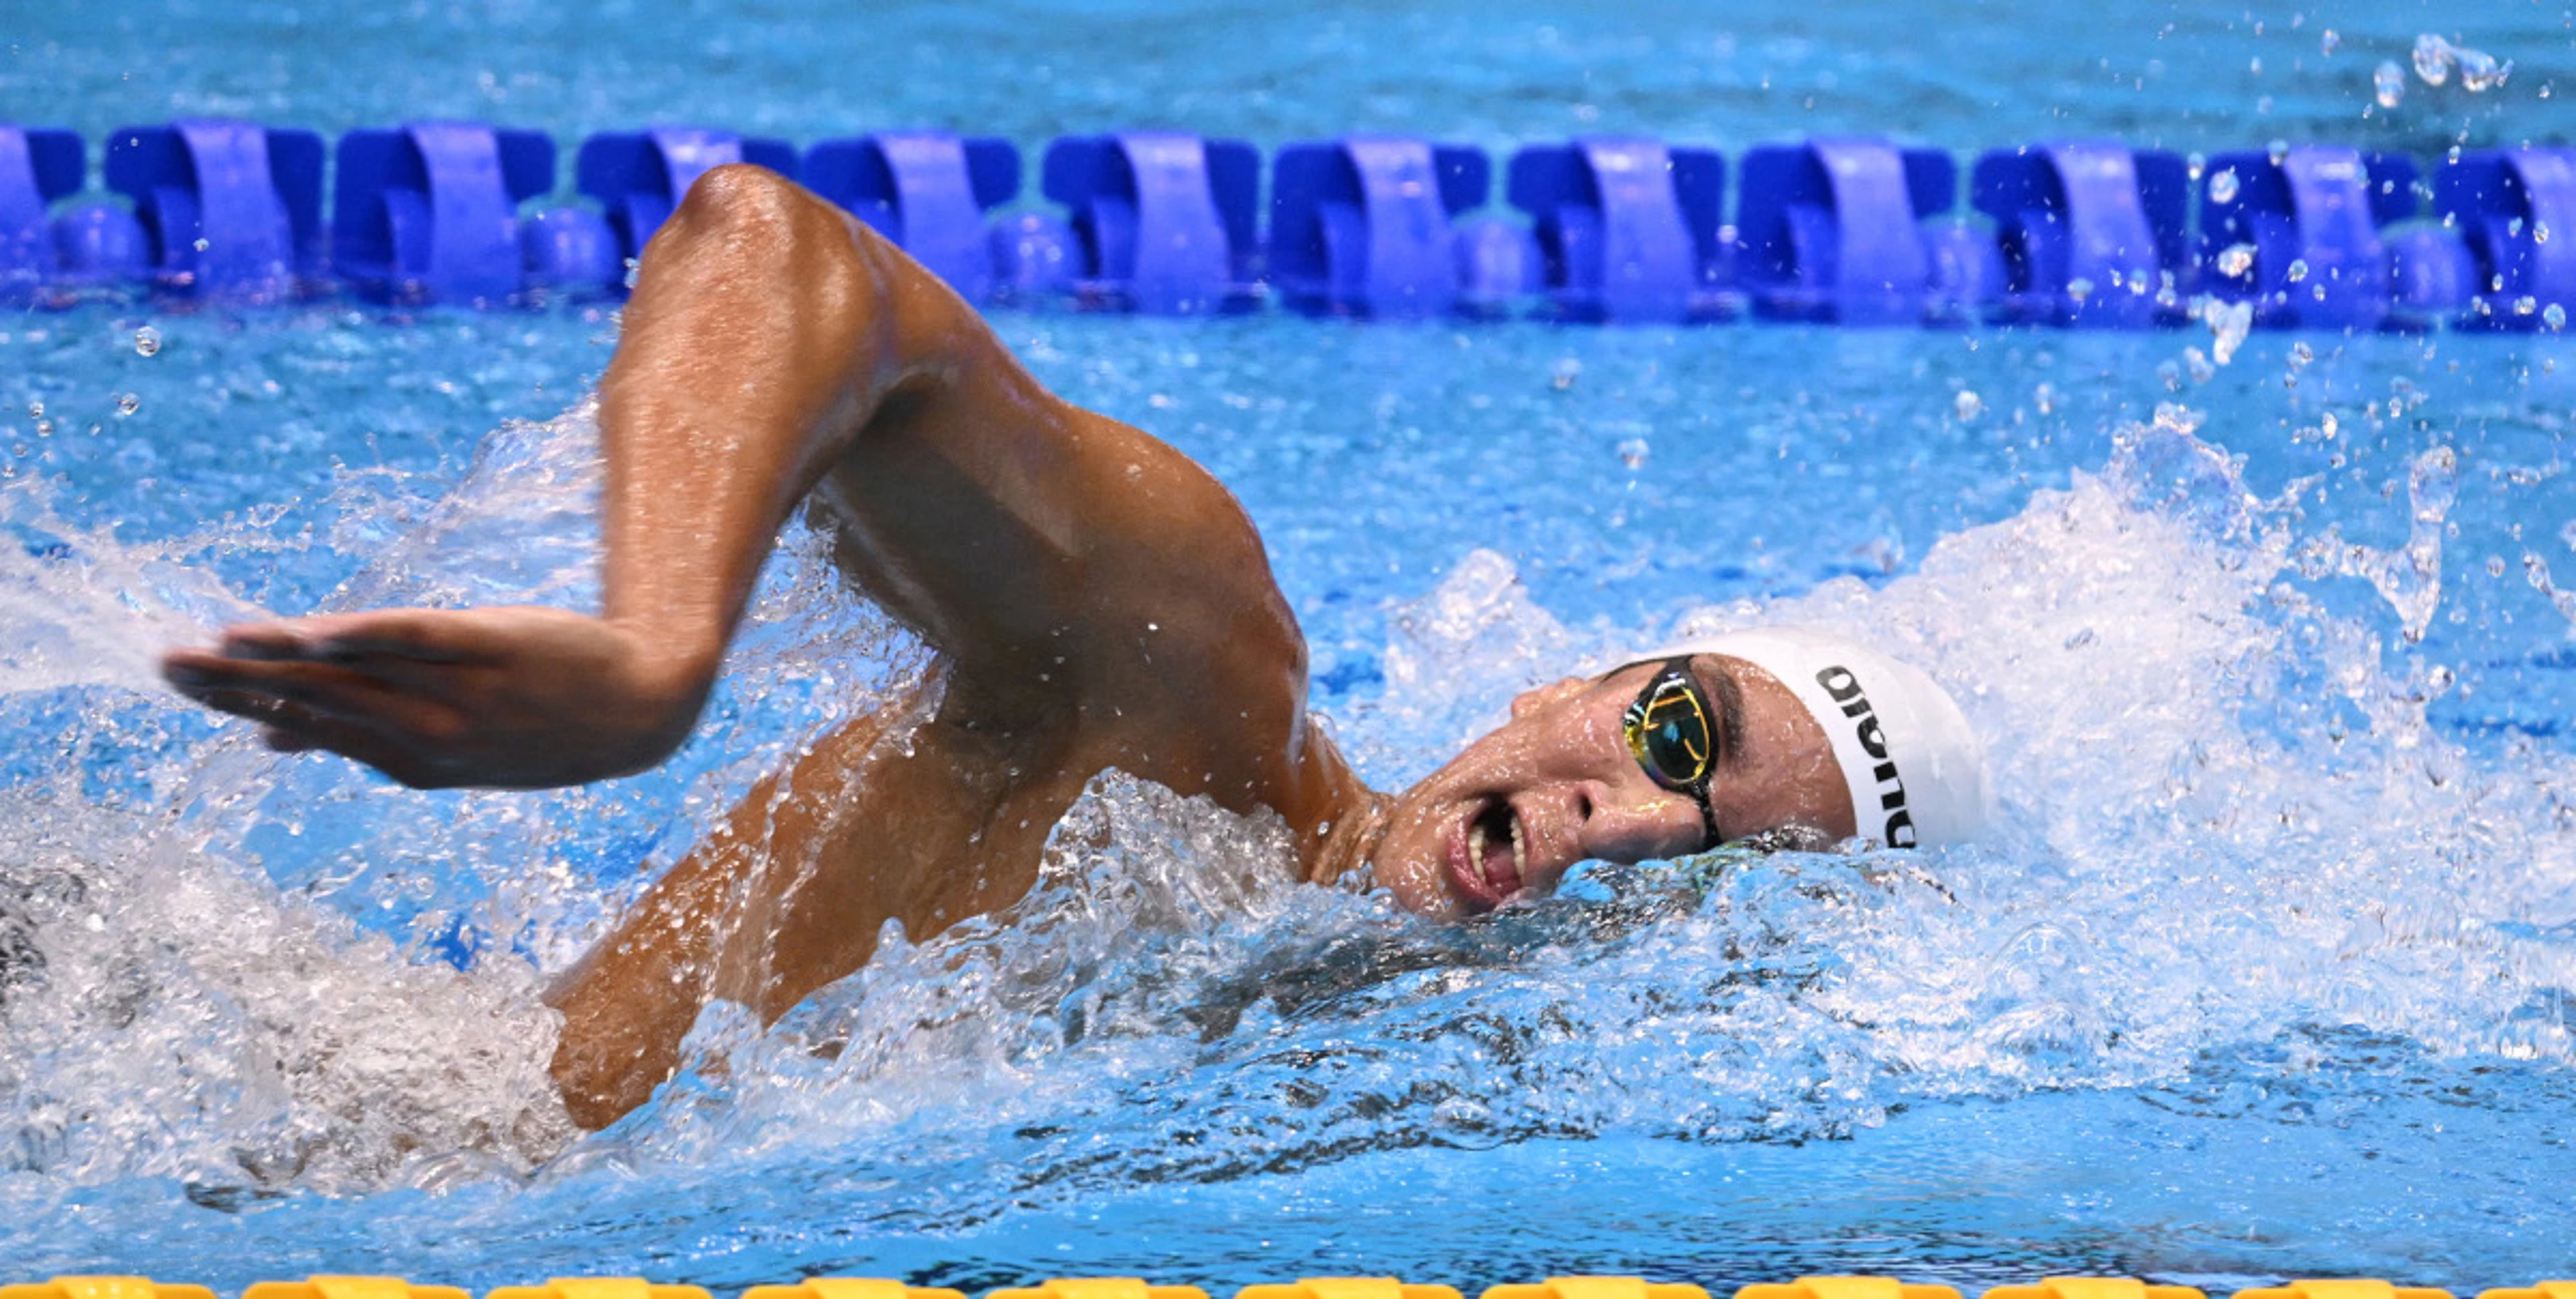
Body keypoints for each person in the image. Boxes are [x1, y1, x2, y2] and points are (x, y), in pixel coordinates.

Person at [160, 164, 1986, 1129]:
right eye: (1679, 735)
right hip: (283, 1104)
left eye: (1741, 869)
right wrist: (657, 651)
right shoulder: (1180, 696)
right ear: (1567, 683)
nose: (1643, 826)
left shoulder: (1433, 1131)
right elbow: (788, 249)